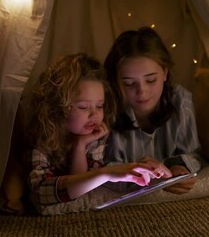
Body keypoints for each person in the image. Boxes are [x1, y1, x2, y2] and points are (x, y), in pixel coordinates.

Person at [25, 53, 159, 209]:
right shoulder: (41, 141)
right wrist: (105, 173)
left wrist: (80, 145)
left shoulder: (94, 136)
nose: (94, 114)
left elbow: (81, 186)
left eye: (100, 106)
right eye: (83, 107)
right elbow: (41, 193)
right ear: (57, 107)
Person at [104, 27, 202, 195]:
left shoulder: (180, 100)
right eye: (129, 83)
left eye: (150, 80)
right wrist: (147, 176)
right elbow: (104, 170)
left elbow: (192, 154)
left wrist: (179, 168)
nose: (142, 91)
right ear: (116, 81)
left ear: (165, 72)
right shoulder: (107, 109)